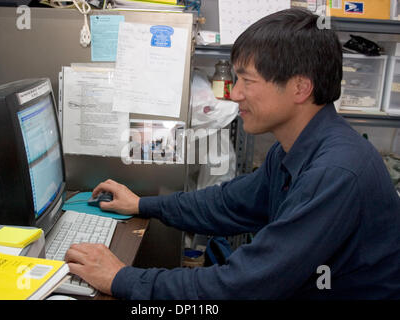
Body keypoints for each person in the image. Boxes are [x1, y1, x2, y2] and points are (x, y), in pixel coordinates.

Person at [65, 8, 400, 299]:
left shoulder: (335, 173)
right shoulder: (294, 149)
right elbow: (226, 204)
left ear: (300, 87)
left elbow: (242, 286)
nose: (235, 93)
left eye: (247, 81)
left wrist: (120, 277)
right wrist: (141, 204)